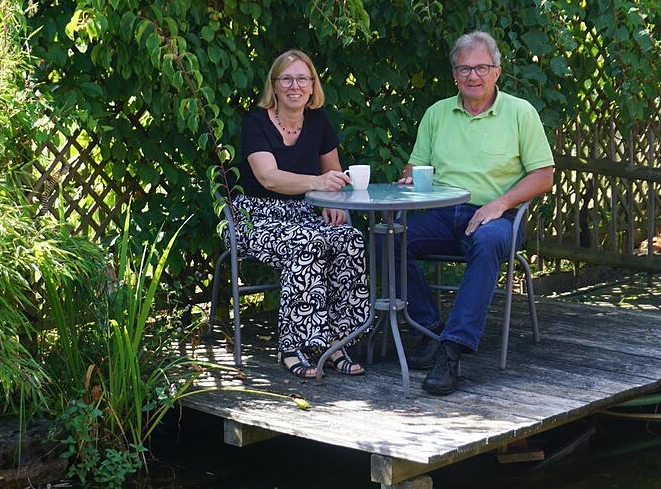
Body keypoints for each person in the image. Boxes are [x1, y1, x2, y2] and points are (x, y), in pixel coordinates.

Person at [397, 31, 555, 395]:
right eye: (465, 68)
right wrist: (408, 181)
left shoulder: (520, 112)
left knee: (486, 242)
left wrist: (499, 204)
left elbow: (543, 176)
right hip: (440, 212)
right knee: (387, 237)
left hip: (498, 216)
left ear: (497, 71)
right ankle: (429, 330)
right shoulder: (437, 113)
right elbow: (414, 168)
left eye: (482, 67)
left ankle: (451, 353)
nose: (473, 76)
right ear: (454, 74)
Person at [232, 49, 370, 379]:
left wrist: (331, 201)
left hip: (305, 212)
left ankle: (338, 340)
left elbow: (333, 174)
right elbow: (269, 177)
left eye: (302, 79)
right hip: (255, 216)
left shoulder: (319, 121)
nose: (295, 86)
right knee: (307, 243)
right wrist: (318, 184)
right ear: (275, 85)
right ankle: (292, 345)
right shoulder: (255, 123)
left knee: (349, 237)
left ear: (312, 86)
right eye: (287, 79)